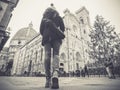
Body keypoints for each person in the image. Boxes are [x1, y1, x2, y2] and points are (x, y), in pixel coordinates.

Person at [40, 4, 65, 89]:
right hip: (56, 38)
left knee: (47, 56)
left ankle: (48, 79)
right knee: (56, 55)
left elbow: (41, 31)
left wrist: (47, 32)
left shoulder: (44, 18)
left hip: (47, 39)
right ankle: (55, 74)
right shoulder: (59, 17)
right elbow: (63, 29)